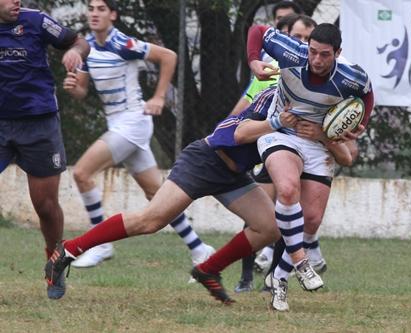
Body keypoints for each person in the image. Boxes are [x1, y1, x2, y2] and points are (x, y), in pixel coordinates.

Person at [45, 86, 298, 303]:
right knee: (151, 220)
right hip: (206, 160)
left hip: (234, 176)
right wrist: (277, 122)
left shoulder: (315, 109)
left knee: (269, 228)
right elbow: (241, 133)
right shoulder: (275, 94)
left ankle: (208, 270)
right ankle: (67, 250)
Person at [62, 0, 214, 270]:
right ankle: (200, 249)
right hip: (119, 125)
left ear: (113, 15)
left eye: (101, 9)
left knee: (82, 173)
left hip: (133, 122)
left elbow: (168, 56)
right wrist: (73, 86)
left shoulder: (122, 43)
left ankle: (100, 244)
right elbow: (82, 91)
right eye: (91, 8)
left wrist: (158, 97)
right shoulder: (86, 47)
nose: (94, 13)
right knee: (157, 196)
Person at [246, 22, 374, 311]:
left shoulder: (351, 76)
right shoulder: (291, 52)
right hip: (280, 132)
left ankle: (279, 280)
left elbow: (367, 94)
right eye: (313, 52)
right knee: (288, 189)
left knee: (312, 220)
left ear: (337, 53)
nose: (316, 60)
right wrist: (254, 59)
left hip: (318, 141)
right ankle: (302, 262)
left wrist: (361, 123)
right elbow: (257, 30)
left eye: (325, 55)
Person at [0, 0, 90, 299]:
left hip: (39, 124)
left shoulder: (36, 22)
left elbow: (79, 41)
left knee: (45, 206)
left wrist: (75, 52)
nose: (17, 2)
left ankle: (54, 261)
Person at [234, 14, 319, 293]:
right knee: (257, 215)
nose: (303, 43)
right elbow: (245, 105)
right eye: (297, 37)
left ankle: (273, 279)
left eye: (309, 39)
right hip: (268, 145)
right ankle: (246, 276)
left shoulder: (321, 77)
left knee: (289, 211)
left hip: (300, 151)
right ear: (286, 35)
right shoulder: (271, 69)